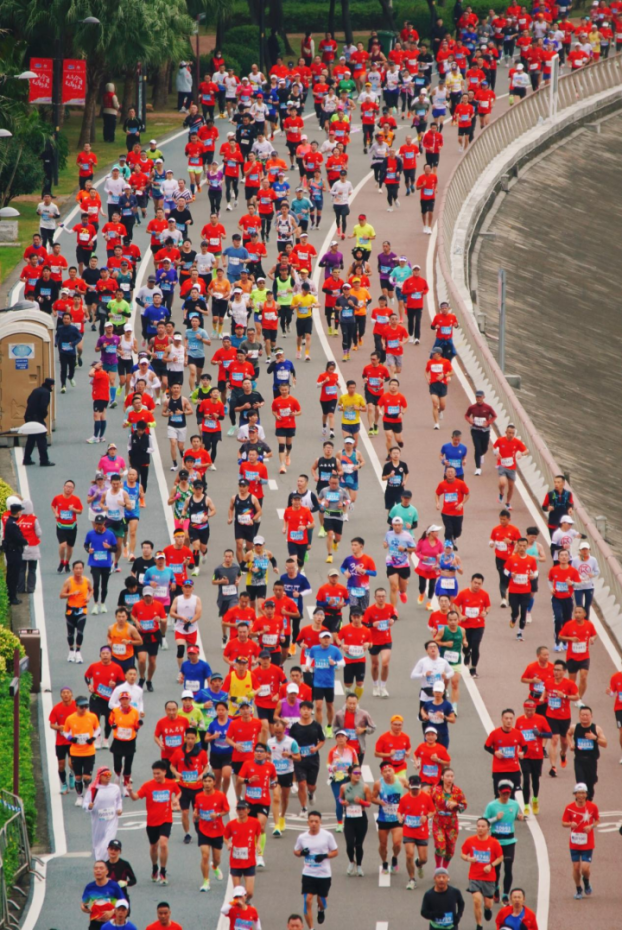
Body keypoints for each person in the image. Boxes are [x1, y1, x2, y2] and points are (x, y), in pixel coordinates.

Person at [128, 760, 181, 885]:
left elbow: (178, 792)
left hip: (166, 819)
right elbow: (135, 797)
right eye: (154, 774)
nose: (156, 776)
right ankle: (154, 867)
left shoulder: (171, 783)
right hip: (152, 822)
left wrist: (175, 800)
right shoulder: (148, 785)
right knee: (153, 847)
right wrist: (130, 791)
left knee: (163, 844)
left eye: (158, 773)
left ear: (164, 772)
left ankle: (163, 871)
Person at [294, 810, 339, 930]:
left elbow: (335, 851)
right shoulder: (302, 837)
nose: (314, 824)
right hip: (308, 873)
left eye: (316, 821)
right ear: (308, 822)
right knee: (307, 901)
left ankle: (321, 909)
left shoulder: (327, 836)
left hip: (324, 874)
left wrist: (325, 856)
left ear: (320, 822)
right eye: (311, 821)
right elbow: (296, 851)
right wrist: (301, 853)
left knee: (322, 901)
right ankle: (311, 928)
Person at [484, 781, 523, 906]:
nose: (506, 796)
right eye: (503, 793)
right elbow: (483, 821)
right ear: (499, 792)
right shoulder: (492, 806)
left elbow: (515, 815)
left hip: (510, 841)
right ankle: (496, 889)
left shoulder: (514, 804)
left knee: (508, 868)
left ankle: (506, 894)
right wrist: (496, 818)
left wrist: (519, 817)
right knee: (496, 869)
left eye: (508, 793)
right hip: (496, 841)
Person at [461, 817, 504, 928]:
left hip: (489, 878)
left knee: (488, 903)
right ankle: (479, 925)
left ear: (488, 828)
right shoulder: (470, 840)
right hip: (474, 877)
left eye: (483, 826)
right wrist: (468, 858)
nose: (480, 828)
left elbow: (500, 857)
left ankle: (487, 908)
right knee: (476, 900)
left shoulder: (494, 843)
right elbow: (462, 853)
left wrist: (490, 865)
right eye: (478, 826)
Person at [562, 783, 599, 899]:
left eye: (583, 793)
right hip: (574, 842)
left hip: (587, 843)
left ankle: (586, 881)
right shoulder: (569, 807)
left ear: (586, 794)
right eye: (579, 793)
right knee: (576, 867)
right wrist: (570, 824)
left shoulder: (592, 807)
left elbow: (597, 820)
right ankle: (578, 888)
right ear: (575, 794)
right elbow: (563, 823)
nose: (581, 795)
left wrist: (591, 826)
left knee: (585, 868)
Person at [63, 694, 100, 804]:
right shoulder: (70, 719)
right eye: (81, 707)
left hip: (89, 751)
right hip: (76, 752)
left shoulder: (92, 717)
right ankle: (80, 796)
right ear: (76, 706)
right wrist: (71, 738)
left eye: (86, 706)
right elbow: (65, 731)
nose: (84, 709)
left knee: (87, 777)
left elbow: (98, 729)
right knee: (78, 776)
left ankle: (87, 785)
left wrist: (93, 737)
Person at [224, 799, 262, 899]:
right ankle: (241, 910)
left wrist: (258, 844)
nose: (240, 811)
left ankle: (244, 903)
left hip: (249, 862)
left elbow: (259, 834)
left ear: (248, 810)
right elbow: (225, 836)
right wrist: (228, 843)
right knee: (237, 893)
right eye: (238, 809)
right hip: (235, 862)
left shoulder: (255, 823)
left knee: (249, 893)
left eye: (242, 809)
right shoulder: (231, 824)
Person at [84, 766, 123, 860]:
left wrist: (119, 809)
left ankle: (104, 862)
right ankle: (99, 860)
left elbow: (119, 801)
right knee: (98, 843)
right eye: (105, 775)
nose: (108, 777)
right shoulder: (93, 789)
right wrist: (89, 806)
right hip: (98, 820)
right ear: (99, 776)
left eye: (110, 774)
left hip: (112, 819)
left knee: (108, 841)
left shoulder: (115, 788)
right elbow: (85, 803)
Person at [484, 709, 526, 798]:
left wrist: (522, 753)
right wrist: (495, 752)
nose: (509, 721)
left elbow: (525, 746)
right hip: (499, 770)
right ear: (502, 719)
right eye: (506, 718)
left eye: (511, 718)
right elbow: (486, 746)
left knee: (512, 796)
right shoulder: (495, 733)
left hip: (513, 770)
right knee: (498, 795)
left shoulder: (517, 734)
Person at [568, 706, 606, 802]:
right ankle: (580, 803)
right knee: (581, 784)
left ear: (591, 716)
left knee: (590, 783)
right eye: (582, 715)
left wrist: (595, 738)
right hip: (579, 760)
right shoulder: (575, 727)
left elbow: (605, 744)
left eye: (587, 715)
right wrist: (571, 744)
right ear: (579, 716)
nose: (585, 717)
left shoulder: (596, 728)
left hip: (591, 761)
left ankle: (589, 801)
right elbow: (568, 734)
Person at [340, 764, 372, 876]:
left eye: (360, 773)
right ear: (350, 774)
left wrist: (361, 802)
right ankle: (351, 861)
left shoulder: (365, 787)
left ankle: (359, 866)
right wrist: (343, 802)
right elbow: (340, 798)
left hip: (361, 819)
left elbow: (369, 803)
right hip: (349, 819)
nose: (358, 775)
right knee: (349, 844)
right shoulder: (344, 786)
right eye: (355, 773)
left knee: (358, 844)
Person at [49, 685, 77, 794]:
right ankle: (64, 784)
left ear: (71, 694)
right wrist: (59, 727)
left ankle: (72, 775)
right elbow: (51, 724)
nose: (66, 694)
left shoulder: (76, 706)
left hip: (73, 741)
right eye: (64, 693)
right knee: (61, 764)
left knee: (72, 763)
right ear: (61, 695)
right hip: (60, 741)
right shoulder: (57, 708)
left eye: (68, 692)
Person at [81, 861, 123, 930]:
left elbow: (123, 903)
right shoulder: (89, 887)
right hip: (95, 924)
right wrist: (83, 907)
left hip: (111, 923)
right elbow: (84, 903)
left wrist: (112, 912)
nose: (98, 870)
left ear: (107, 871)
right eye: (96, 868)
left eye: (101, 868)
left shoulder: (114, 886)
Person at [22, 377, 55, 466]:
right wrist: (43, 416)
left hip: (28, 416)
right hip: (37, 418)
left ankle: (26, 459)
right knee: (41, 439)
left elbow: (28, 400)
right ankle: (44, 460)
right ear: (51, 385)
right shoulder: (46, 393)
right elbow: (43, 407)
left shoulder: (36, 390)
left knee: (31, 438)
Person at [464, 389, 497, 475]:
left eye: (480, 397)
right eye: (477, 397)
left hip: (485, 431)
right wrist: (469, 420)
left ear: (483, 397)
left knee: (484, 448)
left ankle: (481, 454)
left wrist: (488, 422)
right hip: (475, 430)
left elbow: (494, 416)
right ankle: (478, 468)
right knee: (477, 448)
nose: (478, 399)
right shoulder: (472, 407)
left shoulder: (488, 407)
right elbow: (466, 415)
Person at [2, 501, 27, 605]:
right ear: (17, 512)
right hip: (13, 552)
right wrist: (25, 541)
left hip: (12, 551)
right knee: (13, 575)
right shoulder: (12, 524)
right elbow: (18, 538)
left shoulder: (10, 522)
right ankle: (12, 597)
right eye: (20, 511)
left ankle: (11, 595)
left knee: (11, 574)